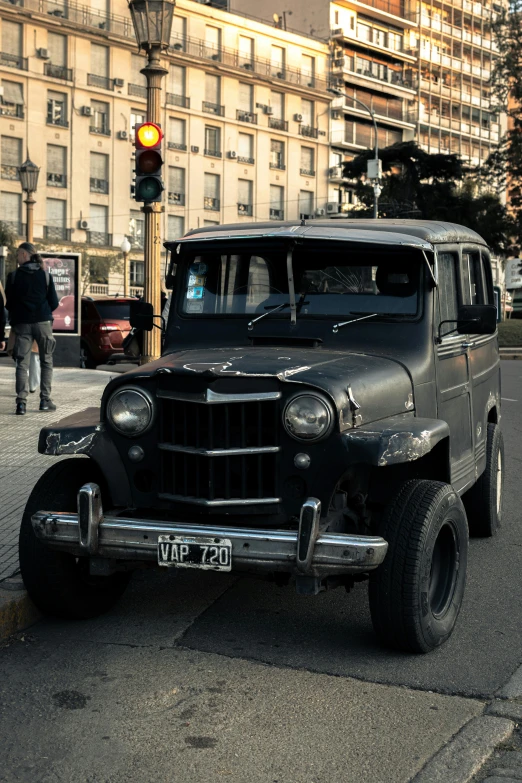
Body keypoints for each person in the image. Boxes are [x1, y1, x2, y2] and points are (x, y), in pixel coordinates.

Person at [5, 242, 59, 415]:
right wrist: (41, 312)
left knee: (22, 364)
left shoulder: (13, 277)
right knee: (46, 361)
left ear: (24, 255)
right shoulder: (45, 276)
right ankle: (45, 400)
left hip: (22, 324)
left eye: (18, 254)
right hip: (43, 322)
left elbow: (9, 303)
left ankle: (21, 404)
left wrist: (21, 313)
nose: (17, 257)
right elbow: (54, 302)